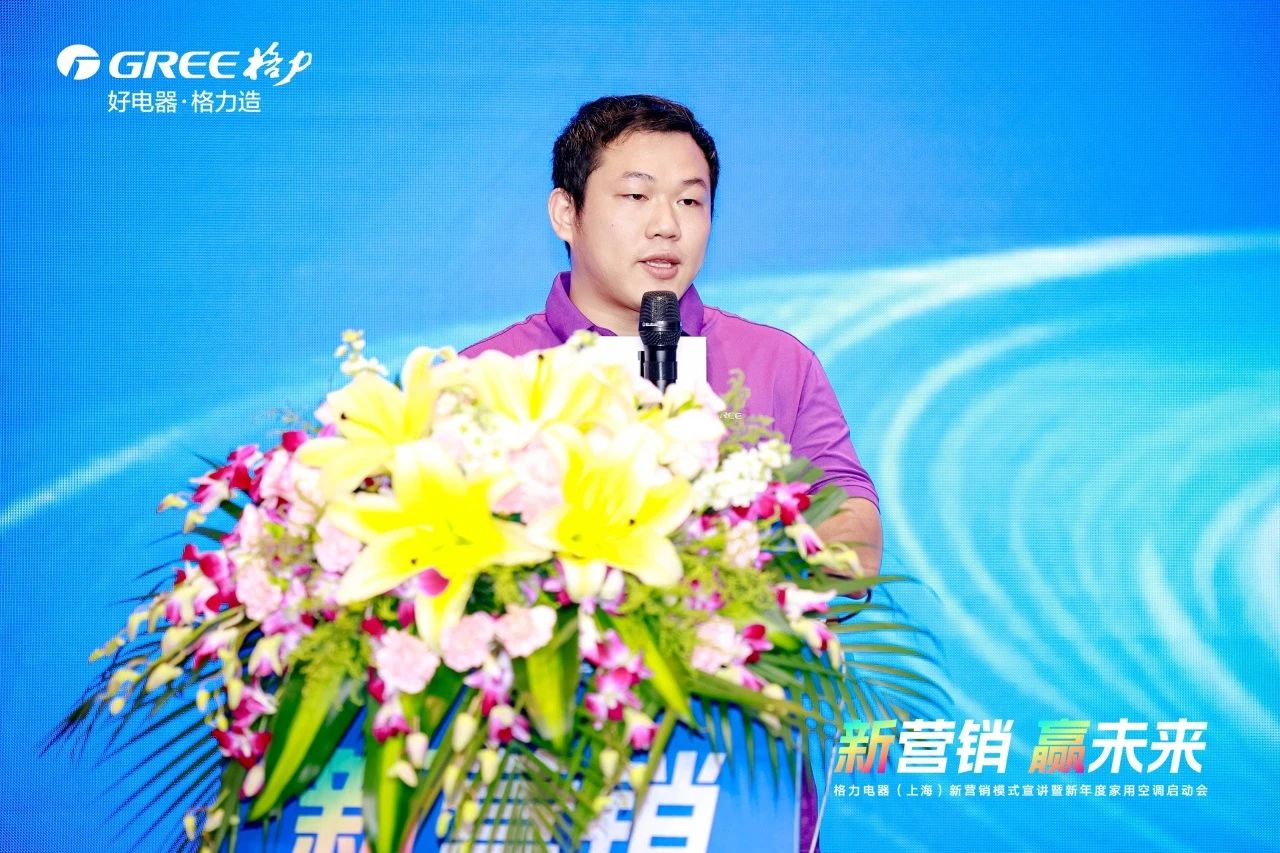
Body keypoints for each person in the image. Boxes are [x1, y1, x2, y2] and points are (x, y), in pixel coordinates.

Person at [460, 94, 881, 851]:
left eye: (691, 200)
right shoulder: (486, 375)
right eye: (636, 196)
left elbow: (856, 534)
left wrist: (731, 563)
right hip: (537, 781)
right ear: (565, 213)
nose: (667, 225)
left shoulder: (774, 363)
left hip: (731, 778)